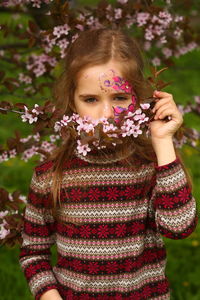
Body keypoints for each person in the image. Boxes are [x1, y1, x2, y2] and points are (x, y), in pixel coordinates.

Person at [19, 28, 198, 300]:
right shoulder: (49, 177)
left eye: (120, 98)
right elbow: (34, 253)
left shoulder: (152, 168)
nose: (106, 115)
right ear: (72, 102)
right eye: (91, 99)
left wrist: (162, 142)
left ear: (139, 99)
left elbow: (180, 227)